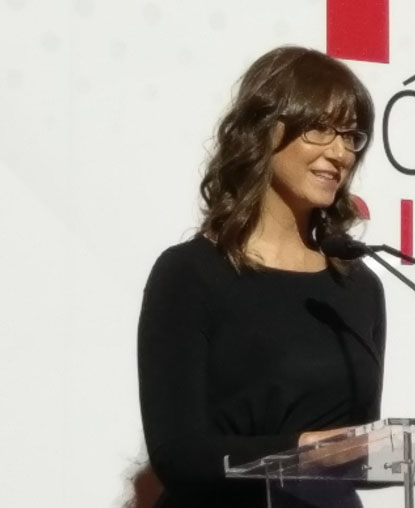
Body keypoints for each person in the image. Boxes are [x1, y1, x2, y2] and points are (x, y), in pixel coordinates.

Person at [137, 46, 386, 508]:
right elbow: (178, 453)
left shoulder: (358, 286)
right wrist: (306, 448)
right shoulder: (192, 273)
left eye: (351, 136)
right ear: (266, 129)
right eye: (320, 129)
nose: (340, 152)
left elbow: (358, 445)